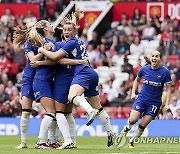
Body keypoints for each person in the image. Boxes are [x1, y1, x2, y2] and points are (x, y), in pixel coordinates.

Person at [38, 10, 115, 147]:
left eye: (69, 30)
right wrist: (76, 18)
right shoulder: (77, 40)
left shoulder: (69, 43)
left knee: (72, 96)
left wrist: (42, 50)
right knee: (99, 107)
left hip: (83, 73)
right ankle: (110, 133)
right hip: (92, 72)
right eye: (65, 30)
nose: (66, 31)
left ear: (74, 32)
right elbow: (72, 29)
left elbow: (58, 59)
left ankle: (89, 111)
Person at [120, 50, 172, 148]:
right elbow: (136, 80)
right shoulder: (144, 69)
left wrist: (167, 103)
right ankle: (127, 128)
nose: (154, 58)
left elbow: (168, 89)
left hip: (155, 103)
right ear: (150, 58)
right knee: (133, 119)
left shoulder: (165, 72)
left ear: (160, 59)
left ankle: (131, 142)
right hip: (142, 99)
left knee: (143, 124)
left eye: (157, 56)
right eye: (153, 56)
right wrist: (133, 92)